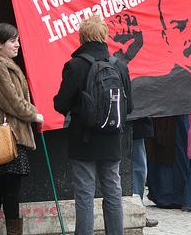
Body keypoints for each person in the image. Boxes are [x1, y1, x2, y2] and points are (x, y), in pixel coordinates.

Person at [54, 16, 133, 235]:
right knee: (113, 193)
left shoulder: (74, 66)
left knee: (85, 196)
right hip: (112, 140)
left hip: (83, 141)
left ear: (82, 37)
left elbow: (61, 104)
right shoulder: (120, 66)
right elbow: (129, 107)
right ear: (104, 35)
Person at [0, 23, 44, 235]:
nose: (17, 45)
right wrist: (34, 114)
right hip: (7, 137)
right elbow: (12, 101)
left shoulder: (2, 64)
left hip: (4, 137)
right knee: (9, 191)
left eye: (18, 40)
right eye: (12, 41)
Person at [131, 117, 158, 228]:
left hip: (136, 124)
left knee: (138, 169)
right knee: (138, 168)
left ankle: (137, 209)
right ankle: (137, 210)